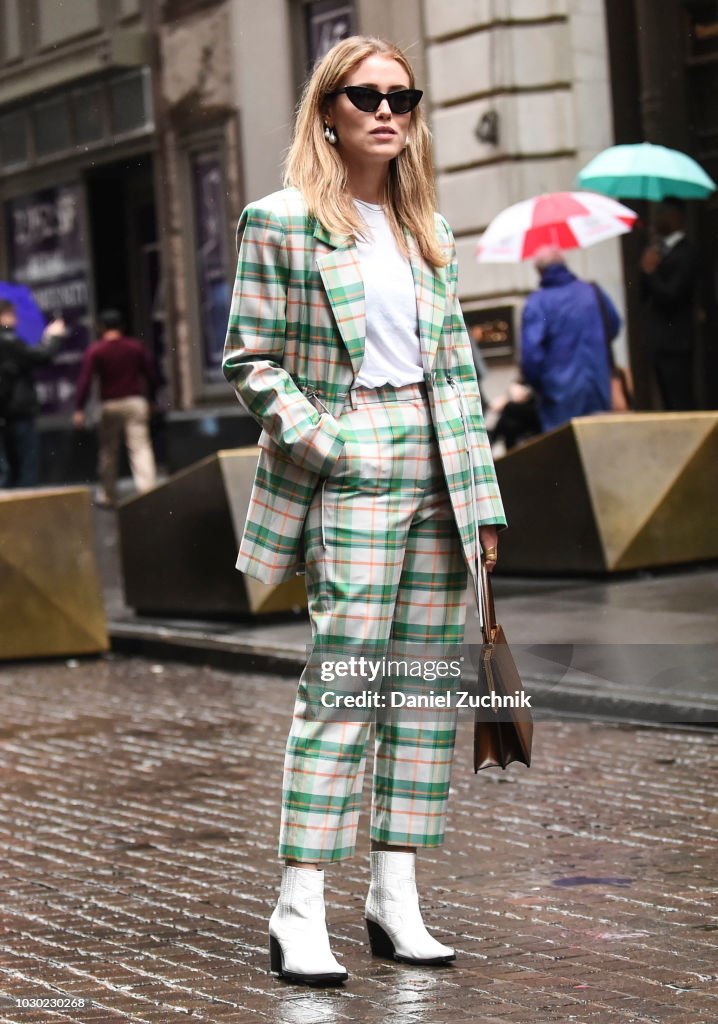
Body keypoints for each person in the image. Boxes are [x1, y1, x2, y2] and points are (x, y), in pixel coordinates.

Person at [222, 35, 506, 986]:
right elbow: (250, 359)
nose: (387, 111)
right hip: (353, 460)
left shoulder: (429, 228)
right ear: (328, 111)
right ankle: (298, 905)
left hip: (438, 463)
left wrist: (483, 501)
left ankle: (396, 895)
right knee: (345, 688)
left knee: (420, 694)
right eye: (366, 95)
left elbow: (459, 369)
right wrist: (326, 443)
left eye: (402, 96)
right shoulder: (283, 220)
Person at [520, 246, 622, 432]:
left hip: (558, 394)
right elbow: (613, 326)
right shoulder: (591, 291)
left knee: (564, 451)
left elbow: (531, 356)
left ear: (539, 270)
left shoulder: (538, 302)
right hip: (597, 386)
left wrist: (537, 386)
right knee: (597, 445)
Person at [72, 309, 159, 507]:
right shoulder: (135, 347)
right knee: (140, 448)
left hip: (110, 404)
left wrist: (79, 408)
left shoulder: (96, 350)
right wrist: (152, 399)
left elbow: (85, 380)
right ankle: (148, 491)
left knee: (108, 451)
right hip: (135, 402)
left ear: (102, 327)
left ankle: (108, 494)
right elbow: (150, 374)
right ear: (121, 326)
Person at [639, 197, 698, 410]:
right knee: (666, 398)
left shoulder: (685, 252)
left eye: (664, 213)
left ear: (676, 217)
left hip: (676, 342)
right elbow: (644, 295)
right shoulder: (659, 250)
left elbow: (672, 294)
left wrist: (652, 273)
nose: (658, 219)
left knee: (680, 398)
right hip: (660, 340)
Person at [0, 299, 66, 488]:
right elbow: (40, 356)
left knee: (10, 468)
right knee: (25, 467)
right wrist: (53, 337)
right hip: (17, 411)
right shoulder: (7, 340)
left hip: (6, 411)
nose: (16, 320)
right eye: (11, 315)